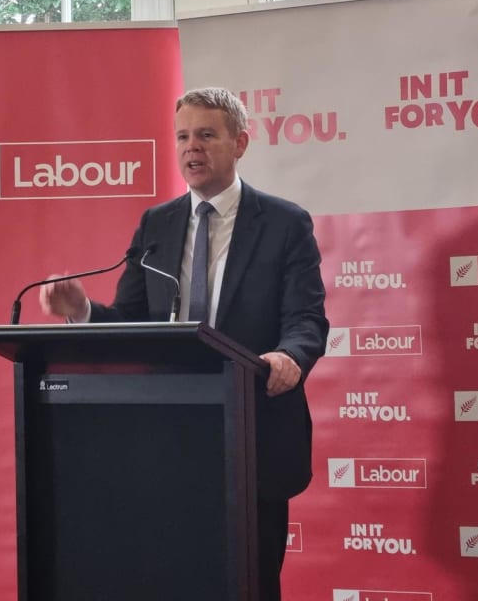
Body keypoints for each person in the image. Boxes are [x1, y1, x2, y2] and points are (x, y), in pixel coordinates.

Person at [39, 87, 329, 600]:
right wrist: (81, 311)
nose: (192, 147)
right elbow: (131, 322)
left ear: (240, 142)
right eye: (182, 136)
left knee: (252, 582)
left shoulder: (284, 223)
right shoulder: (158, 223)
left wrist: (290, 356)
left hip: (252, 428)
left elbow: (306, 319)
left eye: (206, 135)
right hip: (166, 434)